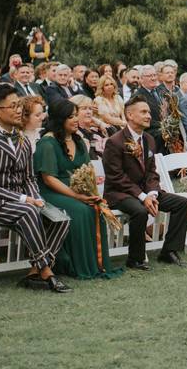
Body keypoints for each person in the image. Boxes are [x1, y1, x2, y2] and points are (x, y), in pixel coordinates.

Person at [0, 83, 72, 293]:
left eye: (19, 105)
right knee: (28, 211)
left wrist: (36, 197)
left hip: (25, 200)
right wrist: (24, 199)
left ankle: (34, 271)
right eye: (14, 106)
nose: (19, 110)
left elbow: (28, 178)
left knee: (61, 218)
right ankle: (47, 272)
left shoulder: (23, 140)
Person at [34, 99, 122, 279]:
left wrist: (91, 193)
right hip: (52, 193)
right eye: (71, 116)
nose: (76, 120)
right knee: (82, 210)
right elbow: (49, 179)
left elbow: (87, 170)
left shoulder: (79, 141)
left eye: (76, 115)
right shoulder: (47, 143)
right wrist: (78, 196)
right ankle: (77, 266)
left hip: (76, 190)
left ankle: (97, 265)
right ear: (60, 119)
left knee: (95, 207)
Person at [103, 96, 187, 270]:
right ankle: (135, 259)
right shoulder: (115, 142)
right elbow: (116, 177)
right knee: (140, 211)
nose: (149, 115)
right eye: (143, 112)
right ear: (130, 115)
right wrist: (143, 197)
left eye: (149, 112)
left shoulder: (149, 139)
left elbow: (151, 172)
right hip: (119, 193)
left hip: (145, 192)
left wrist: (152, 193)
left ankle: (169, 251)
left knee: (181, 203)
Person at [132, 65, 167, 153]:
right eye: (149, 76)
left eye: (154, 75)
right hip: (150, 130)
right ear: (141, 79)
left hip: (166, 128)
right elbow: (141, 119)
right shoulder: (138, 96)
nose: (153, 78)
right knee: (162, 135)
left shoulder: (162, 91)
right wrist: (164, 126)